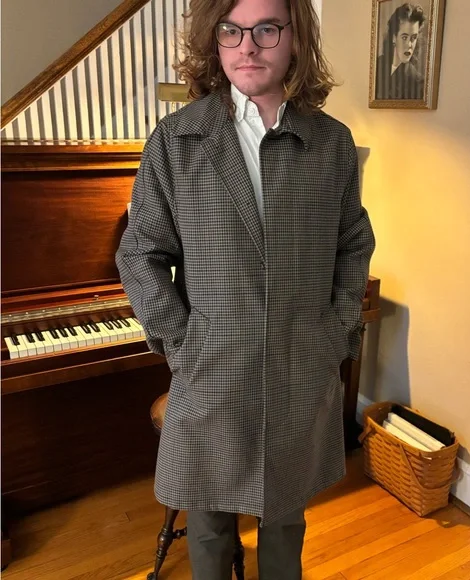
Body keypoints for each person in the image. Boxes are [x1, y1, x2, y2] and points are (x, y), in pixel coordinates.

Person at [115, 0, 375, 578]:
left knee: (285, 519)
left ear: (295, 38)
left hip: (299, 365)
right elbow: (140, 252)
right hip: (211, 368)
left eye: (266, 29)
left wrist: (335, 333)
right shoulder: (178, 139)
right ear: (215, 40)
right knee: (207, 523)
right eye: (231, 30)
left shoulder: (330, 143)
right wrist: (182, 342)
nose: (248, 46)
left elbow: (353, 242)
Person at [376, 2, 426, 100]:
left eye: (413, 38)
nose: (409, 44)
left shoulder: (417, 82)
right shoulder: (377, 64)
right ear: (394, 38)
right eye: (404, 37)